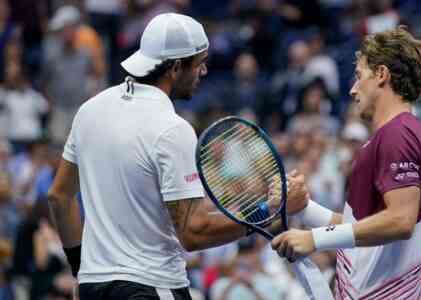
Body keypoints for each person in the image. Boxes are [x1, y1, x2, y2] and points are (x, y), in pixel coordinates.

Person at [46, 13, 307, 300]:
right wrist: (267, 211)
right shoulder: (172, 129)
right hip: (149, 288)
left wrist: (79, 269)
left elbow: (59, 197)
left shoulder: (89, 111)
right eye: (199, 64)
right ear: (175, 67)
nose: (204, 72)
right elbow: (194, 233)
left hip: (93, 287)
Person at [272, 27, 421, 299]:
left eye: (359, 76)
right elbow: (363, 226)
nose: (352, 89)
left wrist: (315, 239)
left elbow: (400, 221)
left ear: (382, 75)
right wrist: (305, 209)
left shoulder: (399, 134)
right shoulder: (396, 134)